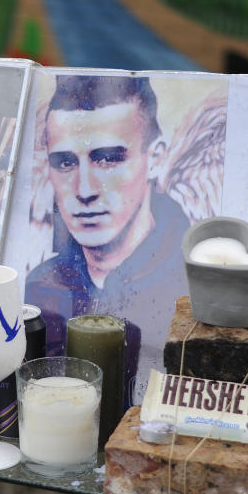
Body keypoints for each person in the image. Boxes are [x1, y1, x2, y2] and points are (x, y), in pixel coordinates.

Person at [25, 74, 192, 404]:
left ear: (155, 157)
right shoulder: (40, 287)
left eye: (109, 159)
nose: (84, 190)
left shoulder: (192, 290)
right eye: (65, 162)